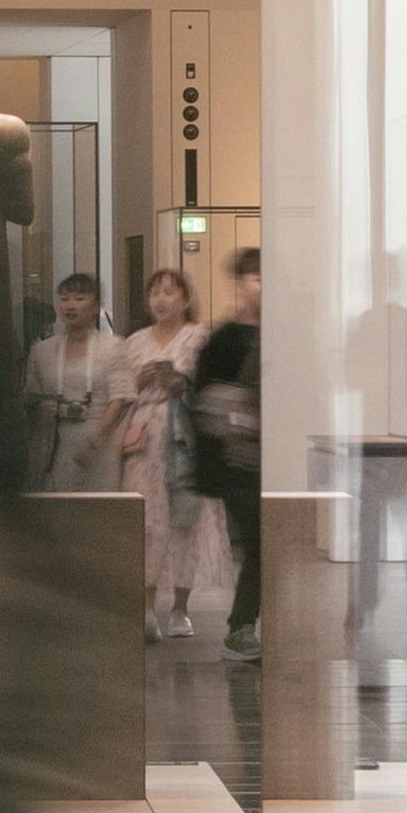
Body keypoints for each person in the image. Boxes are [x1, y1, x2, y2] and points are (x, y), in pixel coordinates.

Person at [117, 264, 217, 639]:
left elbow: (205, 385)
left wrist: (180, 384)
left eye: (169, 291)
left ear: (186, 298)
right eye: (155, 292)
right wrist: (137, 381)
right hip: (143, 438)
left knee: (184, 520)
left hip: (183, 438)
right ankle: (146, 607)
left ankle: (180, 608)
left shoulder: (199, 337)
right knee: (146, 521)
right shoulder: (135, 341)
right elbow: (119, 389)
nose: (160, 299)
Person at [183, 246, 269, 650]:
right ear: (239, 283)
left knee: (263, 541)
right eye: (255, 278)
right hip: (238, 459)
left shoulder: (286, 332)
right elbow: (204, 401)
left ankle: (244, 623)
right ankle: (241, 624)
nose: (261, 287)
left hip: (271, 456)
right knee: (259, 538)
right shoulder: (222, 339)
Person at [21, 270, 128, 497]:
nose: (71, 305)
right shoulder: (43, 350)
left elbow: (120, 398)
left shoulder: (113, 347)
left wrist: (94, 442)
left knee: (98, 511)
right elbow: (30, 397)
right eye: (65, 299)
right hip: (53, 440)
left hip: (98, 442)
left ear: (96, 305)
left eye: (79, 299)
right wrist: (40, 407)